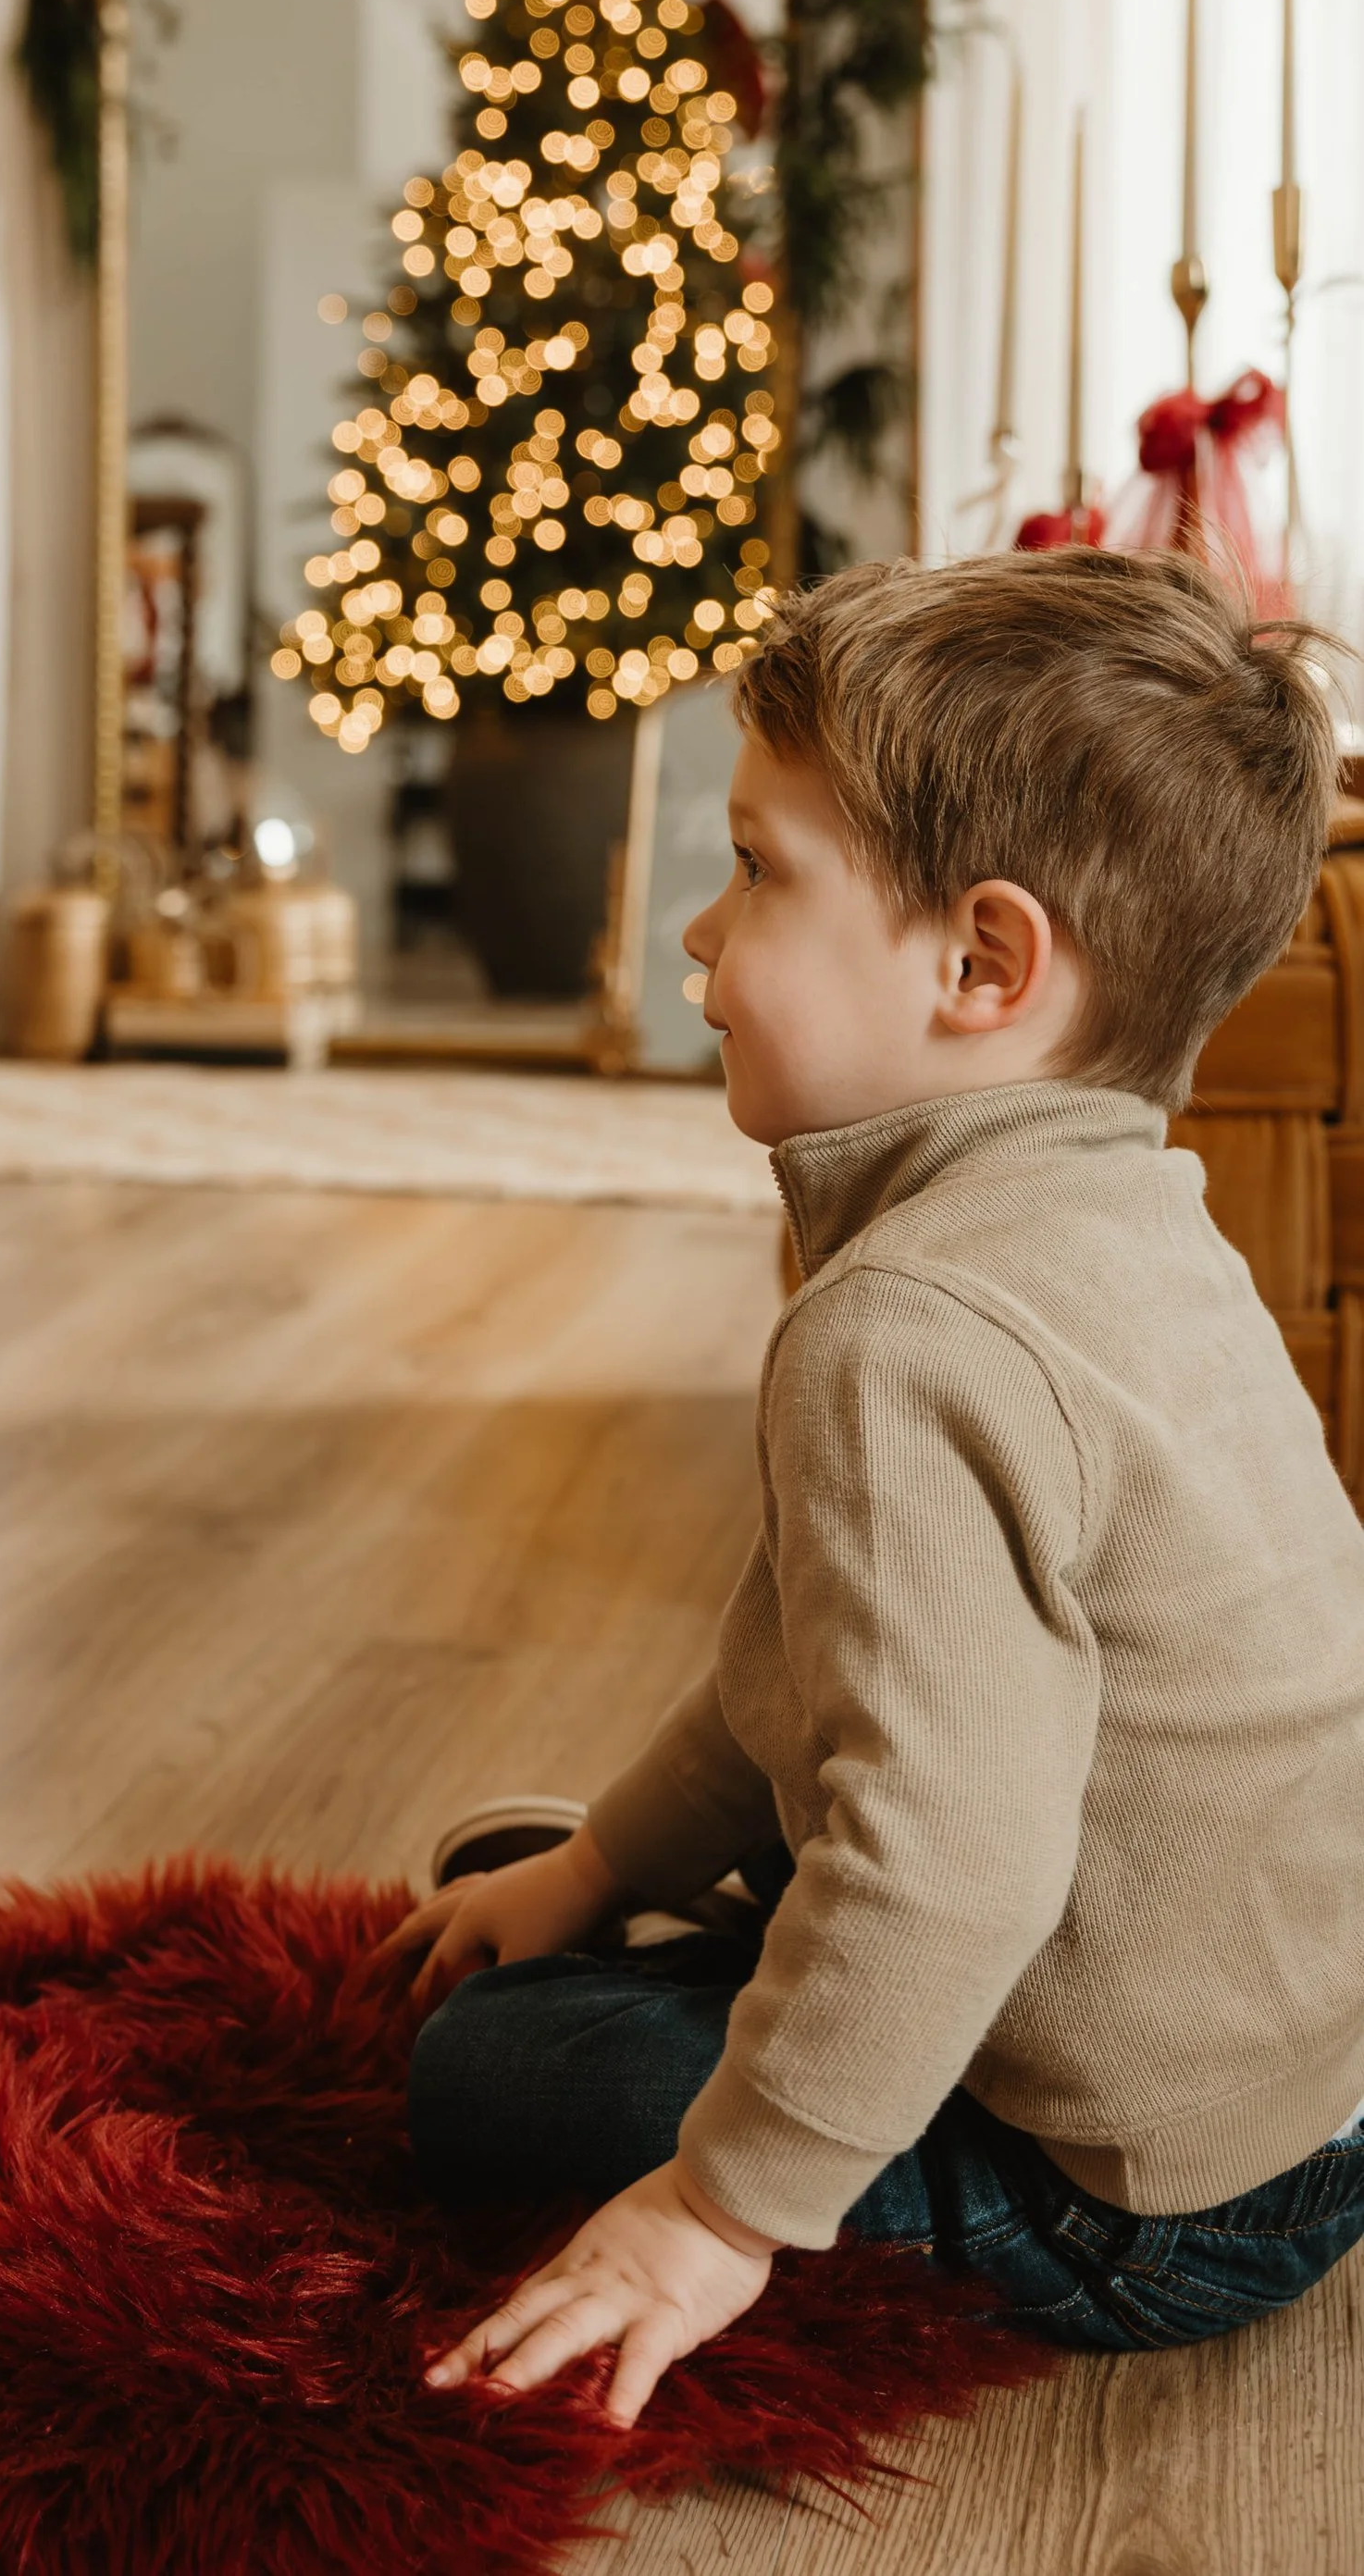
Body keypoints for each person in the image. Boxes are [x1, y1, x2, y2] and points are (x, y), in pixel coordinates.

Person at [390, 548, 1364, 2427]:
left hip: (1149, 2208)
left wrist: (710, 2215)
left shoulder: (907, 1328)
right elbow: (799, 1664)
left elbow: (947, 1856)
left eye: (757, 870)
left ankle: (816, 2093)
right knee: (639, 1878)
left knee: (493, 2078)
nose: (697, 935)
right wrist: (601, 1862)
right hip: (1302, 2067)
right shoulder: (1129, 1216)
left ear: (980, 965)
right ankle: (721, 1945)